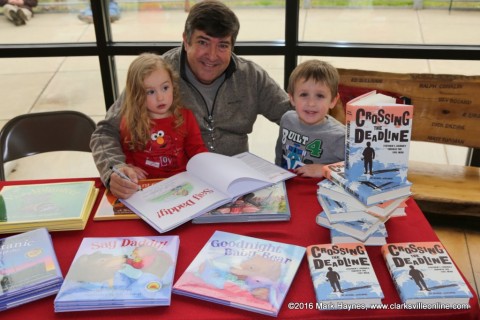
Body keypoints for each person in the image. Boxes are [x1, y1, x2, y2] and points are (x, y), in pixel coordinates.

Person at [90, 0, 291, 199]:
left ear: (232, 47)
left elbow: (293, 117)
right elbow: (105, 132)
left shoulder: (251, 77)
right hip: (179, 189)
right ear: (186, 40)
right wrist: (114, 168)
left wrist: (322, 146)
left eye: (222, 45)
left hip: (236, 186)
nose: (212, 56)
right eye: (203, 42)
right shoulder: (159, 75)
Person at [112, 53, 207, 183]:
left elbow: (196, 149)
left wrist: (208, 166)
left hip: (183, 181)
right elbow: (126, 151)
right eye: (150, 92)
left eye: (165, 88)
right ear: (137, 95)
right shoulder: (130, 121)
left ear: (173, 86)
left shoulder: (186, 116)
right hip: (147, 184)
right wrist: (130, 167)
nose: (160, 97)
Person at [275, 59, 345, 178]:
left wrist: (324, 170)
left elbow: (360, 168)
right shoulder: (287, 120)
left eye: (320, 96)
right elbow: (279, 155)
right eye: (304, 94)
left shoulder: (340, 136)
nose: (311, 103)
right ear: (292, 98)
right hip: (286, 186)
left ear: (333, 101)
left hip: (316, 192)